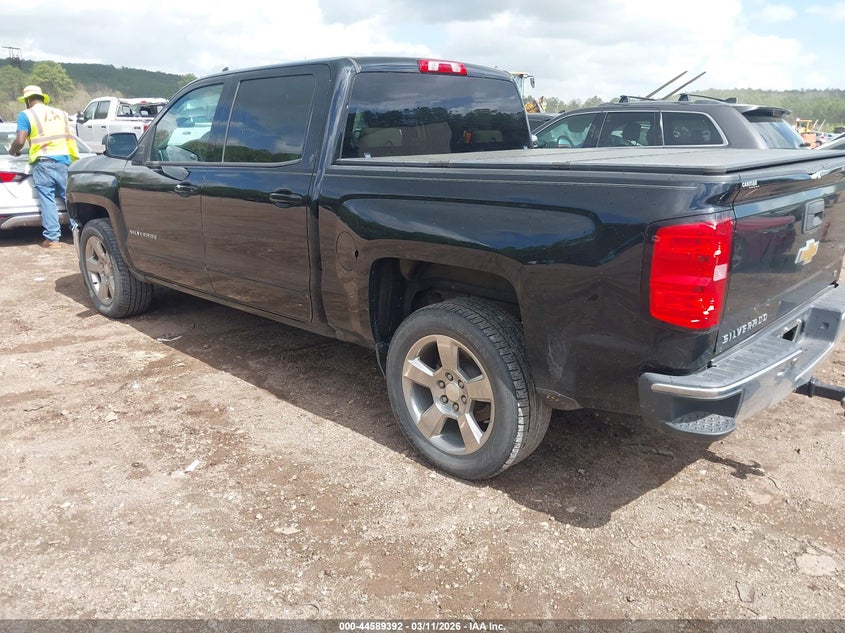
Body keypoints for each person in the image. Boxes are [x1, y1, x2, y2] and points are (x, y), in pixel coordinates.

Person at [9, 85, 79, 249]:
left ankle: (53, 239)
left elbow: (20, 141)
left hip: (43, 163)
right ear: (43, 98)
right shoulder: (61, 113)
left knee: (48, 200)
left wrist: (13, 151)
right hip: (64, 160)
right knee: (68, 199)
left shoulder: (26, 114)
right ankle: (79, 233)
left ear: (27, 100)